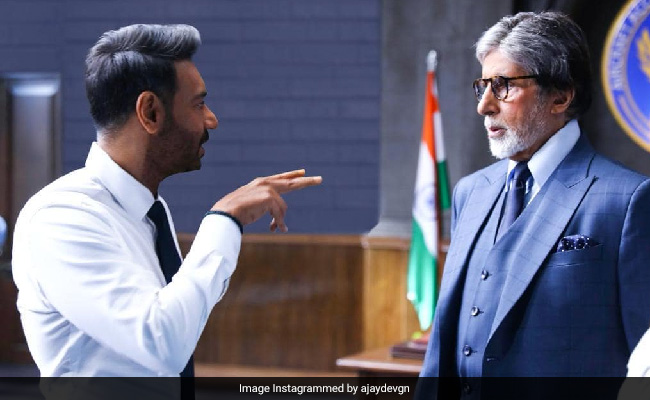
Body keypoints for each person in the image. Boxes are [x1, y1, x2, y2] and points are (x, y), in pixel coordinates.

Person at [11, 23, 321, 391]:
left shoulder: (149, 211)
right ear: (151, 112)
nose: (211, 119)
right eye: (199, 104)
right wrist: (224, 219)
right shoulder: (61, 218)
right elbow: (162, 341)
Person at [418, 11, 650, 398]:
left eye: (503, 86)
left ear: (561, 95)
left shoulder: (630, 201)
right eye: (483, 87)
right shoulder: (469, 192)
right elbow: (443, 349)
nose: (485, 106)